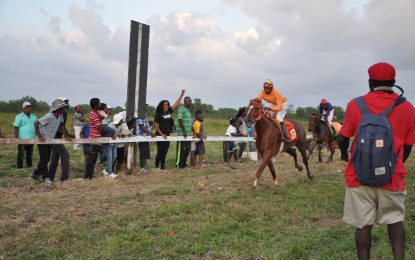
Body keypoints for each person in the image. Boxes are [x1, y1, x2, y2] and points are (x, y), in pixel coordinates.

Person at [337, 62, 415, 260]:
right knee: (395, 220)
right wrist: (394, 164)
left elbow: (342, 137)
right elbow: (407, 148)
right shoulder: (407, 108)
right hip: (393, 177)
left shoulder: (355, 104)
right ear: (394, 82)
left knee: (363, 225)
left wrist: (346, 156)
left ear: (370, 81)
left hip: (358, 176)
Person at [32, 99, 70, 186]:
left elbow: (61, 126)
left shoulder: (60, 116)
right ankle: (46, 178)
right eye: (62, 108)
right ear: (58, 108)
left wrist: (66, 135)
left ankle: (37, 174)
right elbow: (36, 123)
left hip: (49, 139)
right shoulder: (49, 116)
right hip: (42, 139)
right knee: (44, 158)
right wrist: (39, 136)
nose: (63, 109)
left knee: (46, 158)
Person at [153, 90, 185, 170]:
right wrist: (161, 134)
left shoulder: (169, 112)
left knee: (165, 152)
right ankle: (156, 167)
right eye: (165, 105)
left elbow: (176, 104)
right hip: (160, 136)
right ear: (162, 106)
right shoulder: (158, 114)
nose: (167, 106)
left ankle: (162, 168)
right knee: (160, 152)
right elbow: (155, 125)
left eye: (167, 104)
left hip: (167, 136)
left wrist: (181, 95)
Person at [48, 97, 73, 182]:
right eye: (65, 102)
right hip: (53, 136)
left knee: (55, 158)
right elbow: (58, 126)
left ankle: (50, 178)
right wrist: (66, 136)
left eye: (67, 102)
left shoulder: (63, 112)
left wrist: (67, 134)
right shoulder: (58, 112)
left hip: (57, 137)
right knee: (65, 155)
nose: (67, 104)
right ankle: (64, 179)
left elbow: (62, 125)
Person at [13, 101, 37, 168]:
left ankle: (29, 165)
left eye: (30, 107)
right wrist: (16, 137)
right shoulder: (19, 116)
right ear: (24, 108)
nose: (29, 109)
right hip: (22, 139)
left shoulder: (34, 117)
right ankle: (19, 166)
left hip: (31, 138)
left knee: (30, 153)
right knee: (21, 153)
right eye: (27, 108)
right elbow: (16, 127)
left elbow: (38, 127)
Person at [85, 98, 102, 179]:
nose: (100, 105)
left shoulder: (95, 113)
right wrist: (103, 127)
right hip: (95, 139)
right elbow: (99, 127)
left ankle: (89, 176)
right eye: (99, 103)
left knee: (93, 159)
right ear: (96, 105)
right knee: (91, 159)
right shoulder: (94, 114)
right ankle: (88, 176)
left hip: (96, 139)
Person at [136, 104, 155, 173]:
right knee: (143, 153)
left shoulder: (144, 116)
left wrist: (149, 124)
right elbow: (142, 127)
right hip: (141, 137)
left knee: (146, 153)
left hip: (145, 137)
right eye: (145, 107)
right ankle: (142, 168)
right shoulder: (140, 116)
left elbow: (145, 126)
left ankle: (144, 167)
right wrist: (150, 133)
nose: (146, 108)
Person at [176, 96, 192, 169]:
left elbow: (188, 122)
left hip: (188, 134)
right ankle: (178, 164)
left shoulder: (188, 110)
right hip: (182, 134)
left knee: (188, 149)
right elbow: (180, 120)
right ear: (185, 102)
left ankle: (183, 163)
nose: (191, 102)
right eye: (189, 101)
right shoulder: (181, 109)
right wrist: (184, 131)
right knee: (181, 149)